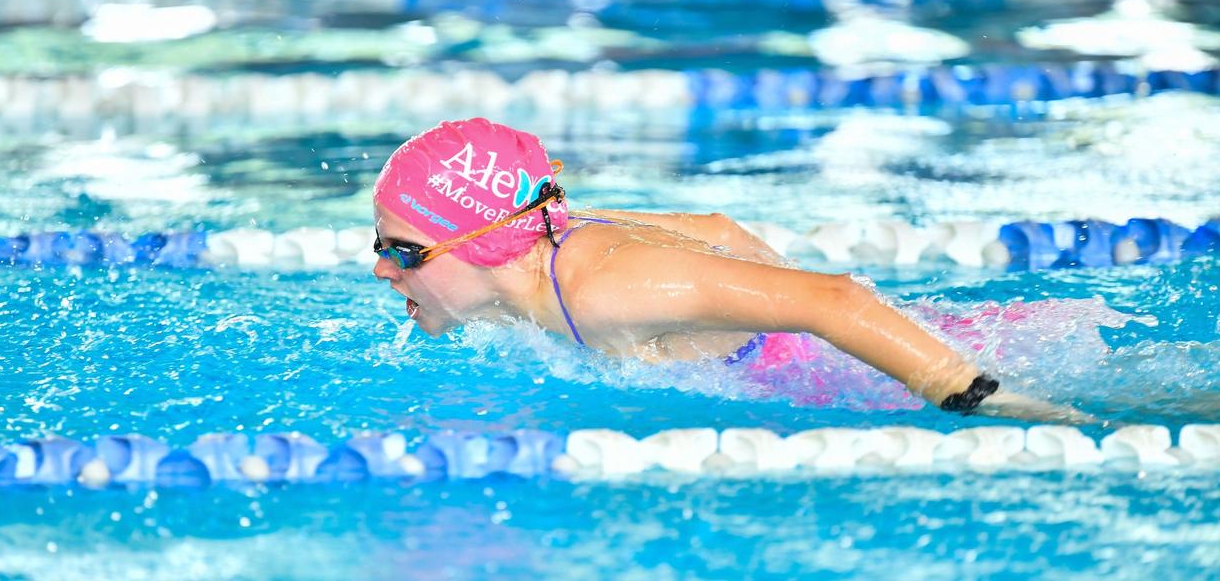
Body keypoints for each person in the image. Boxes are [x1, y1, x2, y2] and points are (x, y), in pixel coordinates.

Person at [371, 117, 1090, 423]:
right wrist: (742, 318)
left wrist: (972, 397)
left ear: (482, 243)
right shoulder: (555, 241)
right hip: (902, 340)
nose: (381, 269)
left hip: (878, 378)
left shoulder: (606, 292)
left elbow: (833, 300)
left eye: (401, 250)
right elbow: (720, 231)